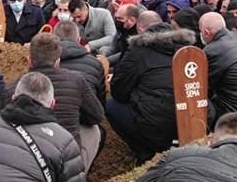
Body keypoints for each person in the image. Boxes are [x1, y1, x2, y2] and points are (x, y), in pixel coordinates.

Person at [108, 23, 192, 163]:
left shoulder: (138, 51)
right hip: (192, 121)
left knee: (111, 105)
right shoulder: (190, 51)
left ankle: (145, 152)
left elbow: (118, 91)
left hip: (155, 126)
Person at [26, 33, 105, 171]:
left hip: (26, 161)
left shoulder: (12, 88)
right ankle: (80, 173)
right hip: (66, 160)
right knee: (94, 129)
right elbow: (97, 115)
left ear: (29, 61)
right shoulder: (77, 80)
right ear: (57, 62)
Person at [54, 20, 107, 108]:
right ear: (78, 39)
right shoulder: (96, 64)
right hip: (86, 116)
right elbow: (100, 101)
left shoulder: (45, 60)